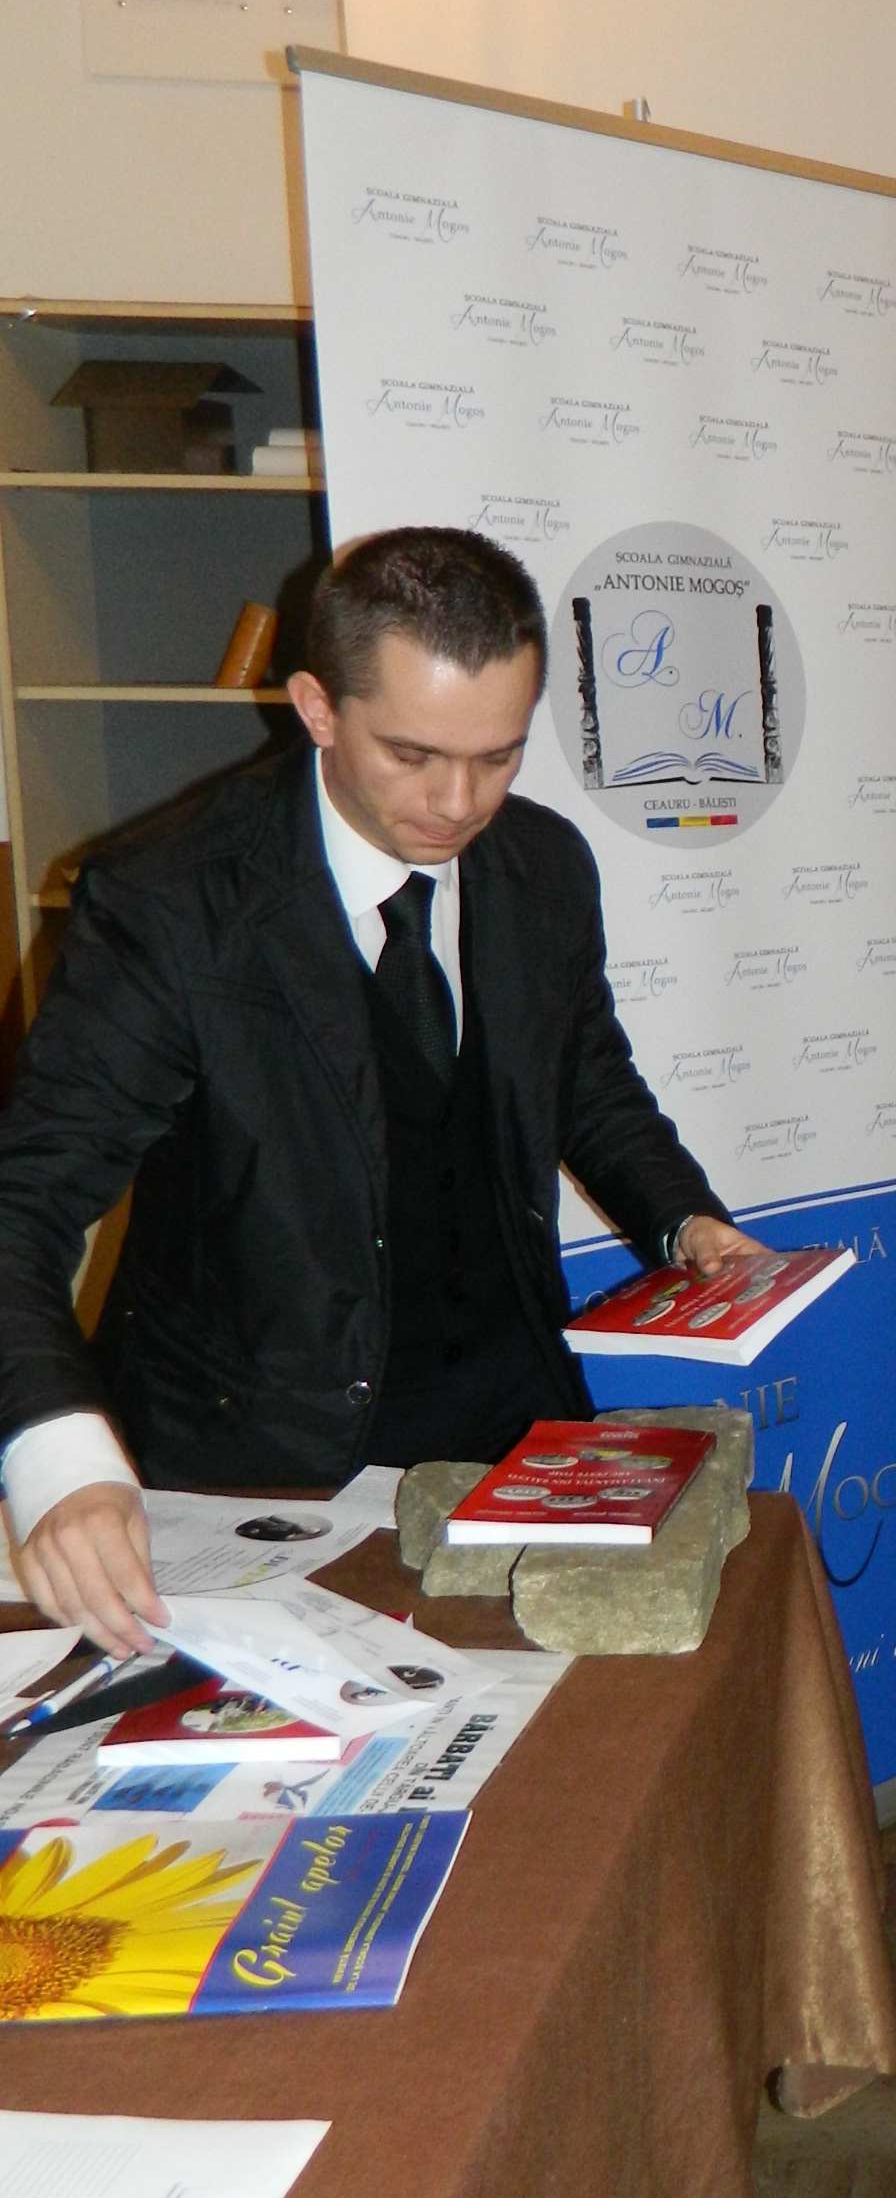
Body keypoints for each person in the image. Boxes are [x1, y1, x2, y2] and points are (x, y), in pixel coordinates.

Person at [0, 525, 762, 1658]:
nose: (459, 802)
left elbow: (587, 1078)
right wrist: (60, 1461)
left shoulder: (545, 866)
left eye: (499, 756)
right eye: (413, 754)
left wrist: (682, 1218)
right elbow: (23, 1208)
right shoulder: (173, 905)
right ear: (317, 708)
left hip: (515, 1426)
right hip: (261, 1458)